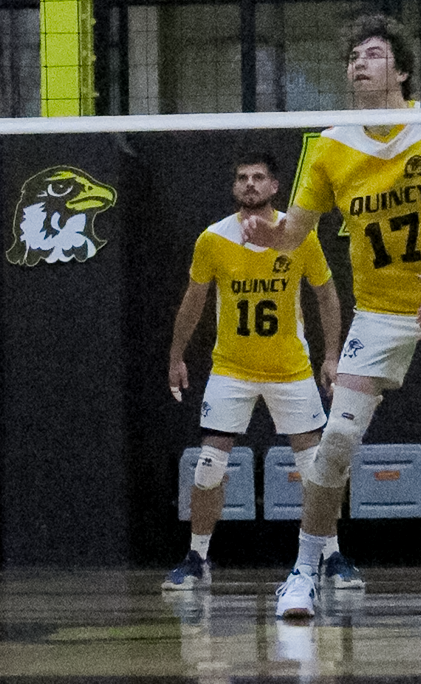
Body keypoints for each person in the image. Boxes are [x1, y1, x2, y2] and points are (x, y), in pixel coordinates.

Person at [245, 14, 421, 619]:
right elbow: (295, 233)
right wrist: (273, 236)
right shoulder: (330, 146)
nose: (358, 64)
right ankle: (304, 572)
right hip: (380, 312)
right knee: (335, 444)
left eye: (372, 54)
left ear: (399, 70)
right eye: (352, 57)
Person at [162, 152, 359, 592]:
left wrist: (332, 356)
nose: (249, 184)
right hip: (231, 368)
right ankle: (197, 557)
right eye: (241, 178)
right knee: (209, 464)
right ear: (235, 188)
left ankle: (331, 556)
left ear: (274, 187)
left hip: (290, 369)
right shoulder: (213, 239)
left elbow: (327, 295)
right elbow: (193, 302)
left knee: (316, 468)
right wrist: (177, 356)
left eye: (258, 178)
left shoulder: (297, 233)